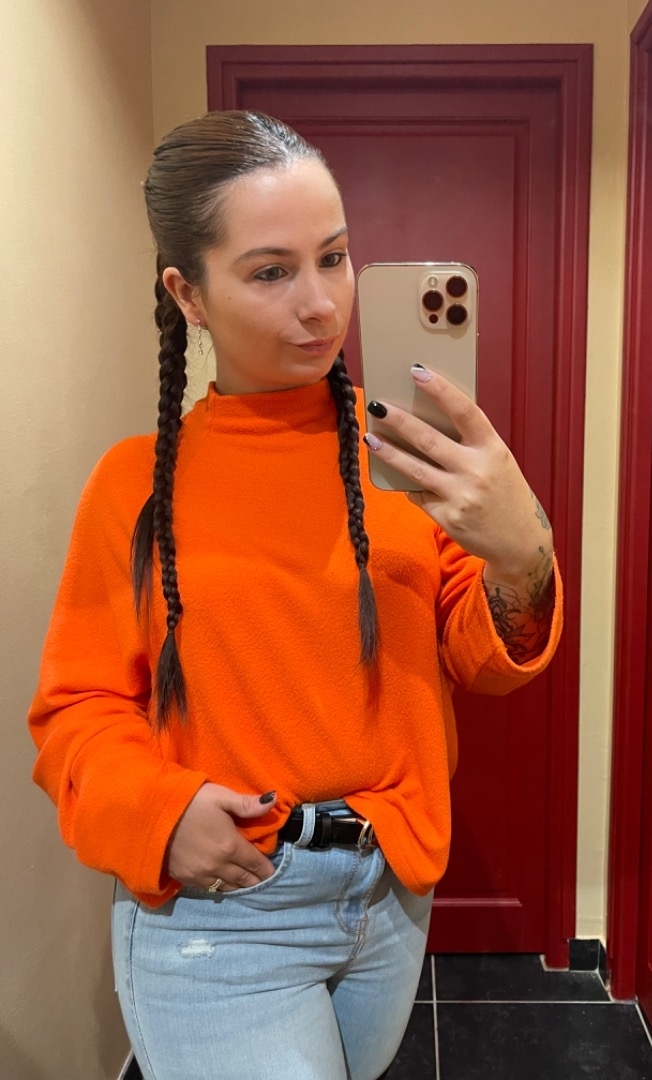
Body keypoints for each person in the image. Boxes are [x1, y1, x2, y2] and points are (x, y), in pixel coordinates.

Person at [28, 111, 563, 1080]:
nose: (321, 304)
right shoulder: (135, 485)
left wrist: (522, 554)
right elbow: (77, 710)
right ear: (187, 293)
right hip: (224, 904)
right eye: (271, 272)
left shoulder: (404, 456)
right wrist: (157, 812)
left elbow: (481, 660)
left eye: (335, 257)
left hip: (389, 887)